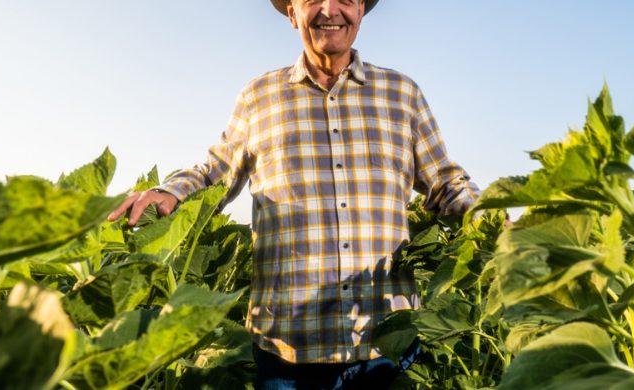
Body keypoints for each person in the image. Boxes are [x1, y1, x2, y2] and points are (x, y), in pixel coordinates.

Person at [107, 0, 480, 388]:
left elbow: (445, 182)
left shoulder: (402, 94)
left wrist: (487, 214)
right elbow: (213, 172)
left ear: (361, 12)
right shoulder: (260, 96)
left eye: (346, 0)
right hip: (289, 347)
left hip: (386, 342)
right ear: (292, 13)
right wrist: (170, 192)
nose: (329, 9)